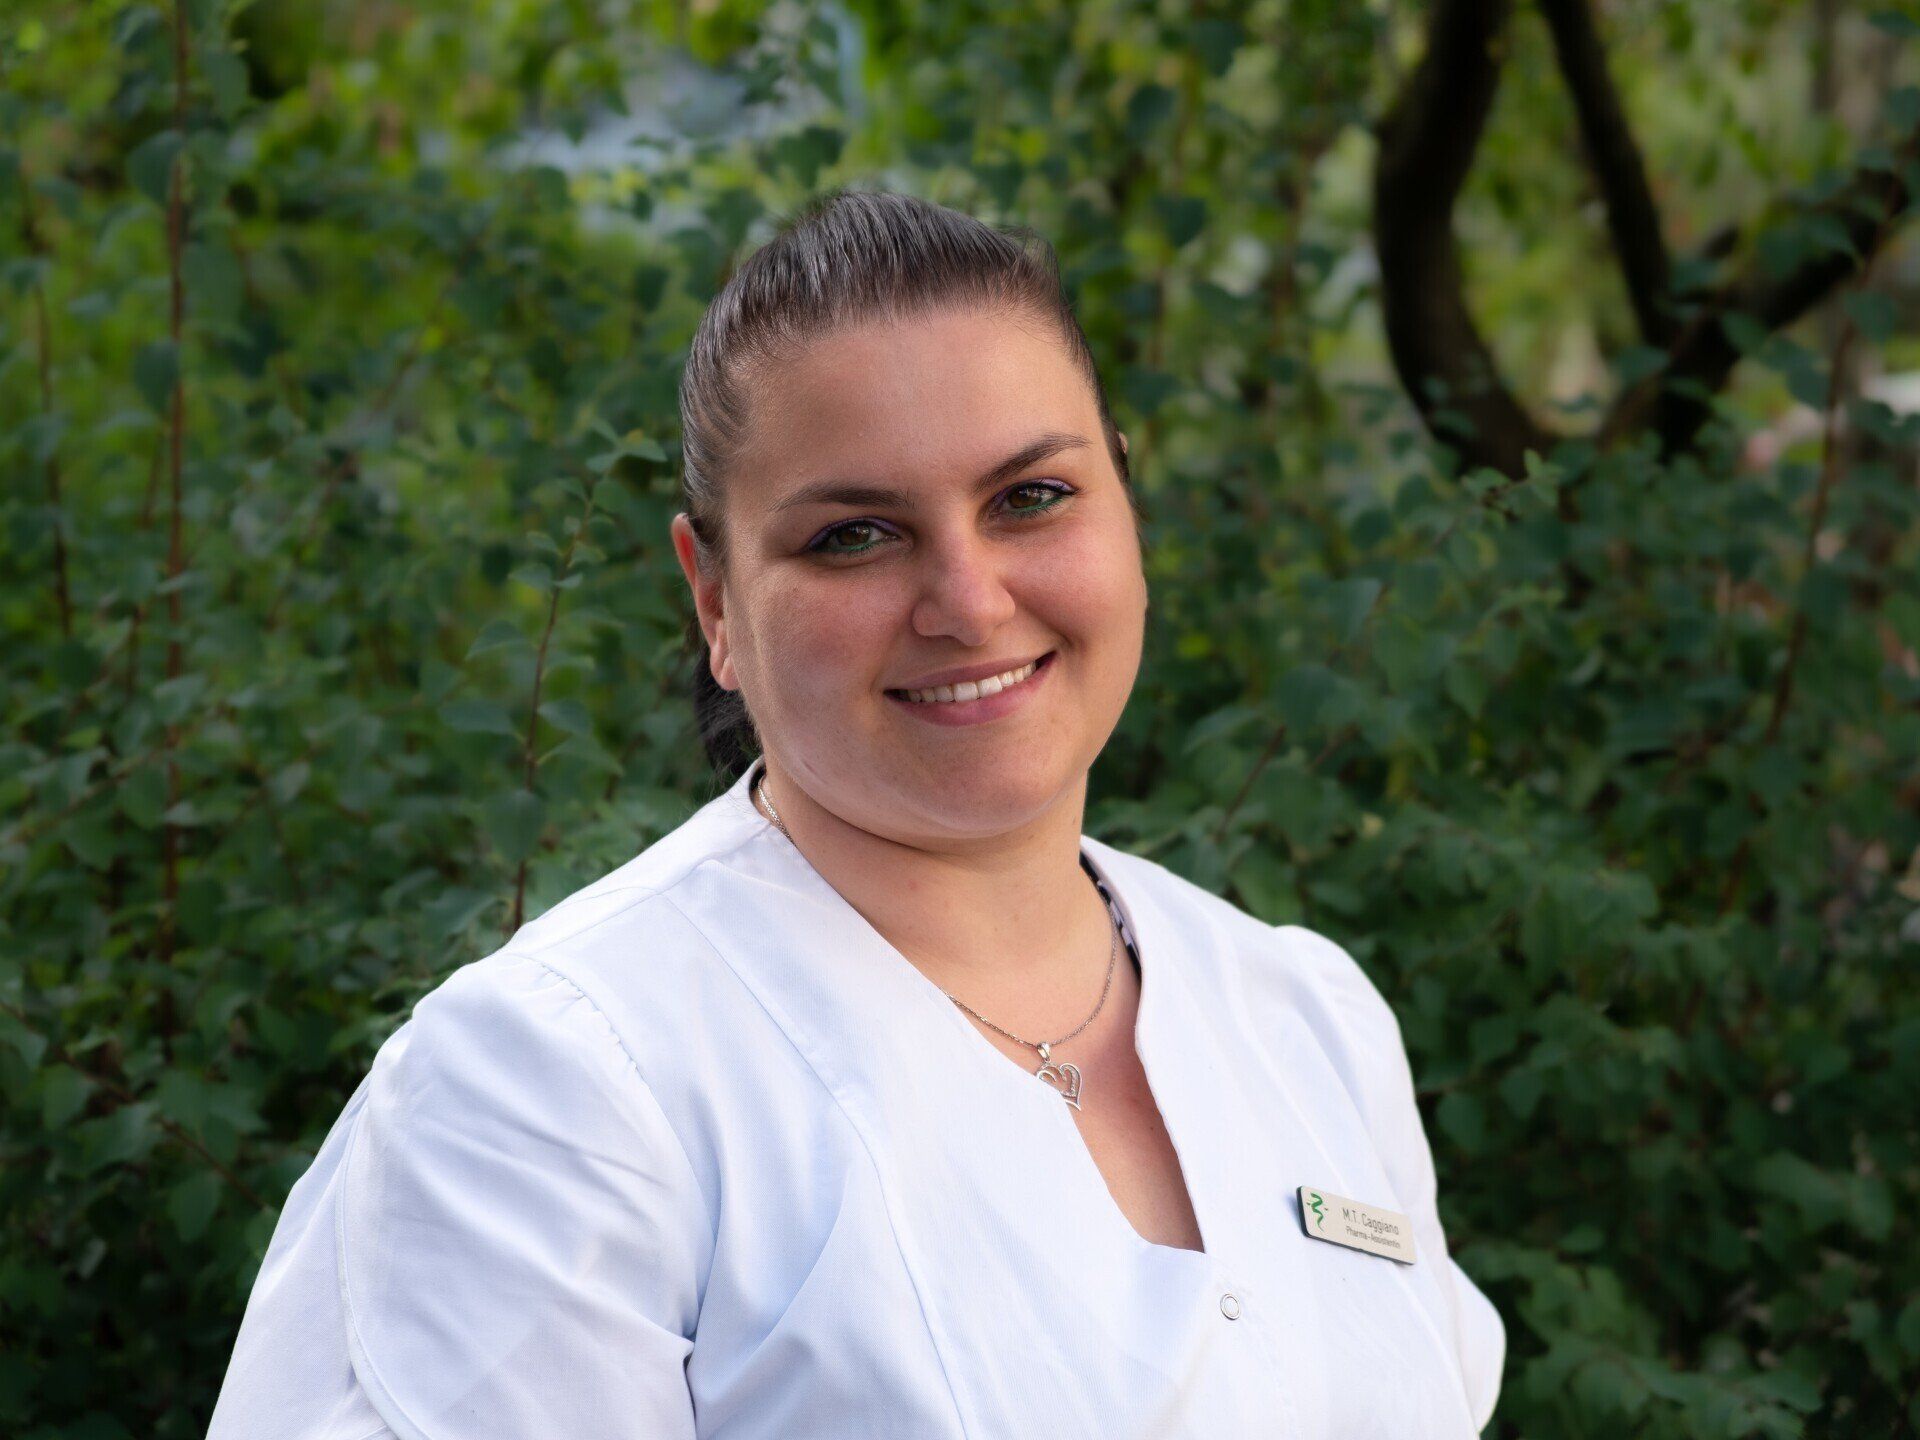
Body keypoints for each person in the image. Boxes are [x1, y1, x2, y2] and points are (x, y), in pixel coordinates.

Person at [204, 187, 1505, 1439]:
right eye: (855, 537)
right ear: (715, 600)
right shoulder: (558, 1089)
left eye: (1030, 498)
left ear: (1125, 500)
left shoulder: (1306, 1018)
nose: (970, 602)